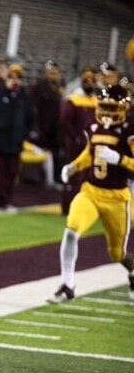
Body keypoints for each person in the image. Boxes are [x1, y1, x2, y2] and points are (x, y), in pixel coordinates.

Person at [48, 85, 134, 303]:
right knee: (71, 232)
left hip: (117, 197)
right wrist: (73, 167)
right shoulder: (93, 126)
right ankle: (67, 285)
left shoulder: (129, 130)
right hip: (91, 192)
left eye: (111, 107)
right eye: (103, 106)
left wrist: (121, 160)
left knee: (117, 254)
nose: (106, 112)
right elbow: (90, 153)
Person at [0, 63, 34, 212]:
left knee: (11, 174)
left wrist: (25, 135)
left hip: (16, 142)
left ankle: (5, 201)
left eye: (18, 78)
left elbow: (30, 119)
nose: (14, 81)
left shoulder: (24, 99)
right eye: (11, 77)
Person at [60, 66, 98, 215]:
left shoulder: (95, 101)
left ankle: (83, 207)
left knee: (87, 176)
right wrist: (75, 137)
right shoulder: (73, 100)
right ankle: (68, 206)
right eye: (87, 80)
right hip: (75, 145)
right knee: (73, 174)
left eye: (92, 80)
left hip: (91, 145)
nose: (90, 83)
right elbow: (64, 121)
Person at [29, 60, 64, 187]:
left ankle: (53, 179)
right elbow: (33, 109)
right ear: (45, 73)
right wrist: (35, 127)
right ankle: (40, 180)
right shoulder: (38, 87)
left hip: (56, 129)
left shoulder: (60, 88)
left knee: (55, 154)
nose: (52, 75)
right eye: (50, 73)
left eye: (54, 73)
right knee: (42, 154)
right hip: (42, 127)